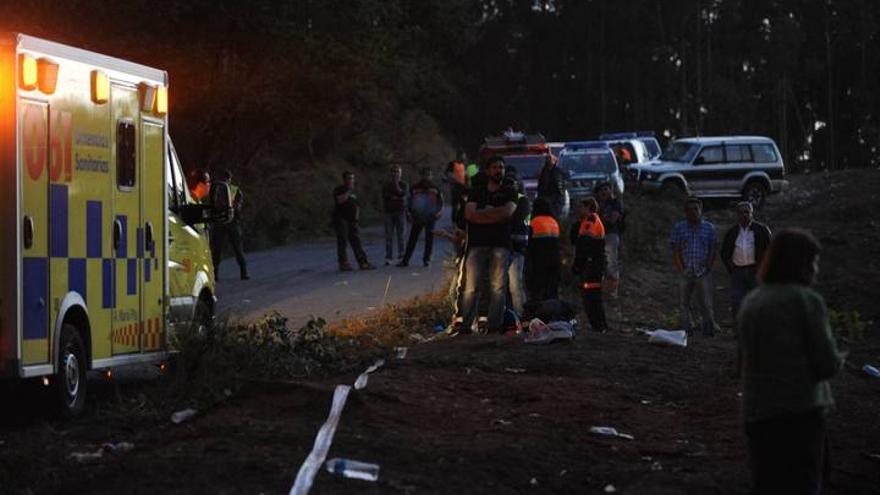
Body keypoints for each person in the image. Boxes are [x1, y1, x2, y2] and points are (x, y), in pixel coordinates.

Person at [738, 229, 844, 495]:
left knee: (766, 484)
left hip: (757, 411)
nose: (817, 269)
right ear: (802, 263)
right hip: (800, 414)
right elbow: (826, 363)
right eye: (814, 261)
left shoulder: (752, 301)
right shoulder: (806, 301)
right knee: (803, 483)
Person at [455, 156, 517, 334]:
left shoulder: (509, 191)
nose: (499, 171)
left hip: (500, 244)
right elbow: (469, 215)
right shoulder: (476, 192)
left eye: (501, 168)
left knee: (498, 287)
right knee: (470, 287)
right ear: (488, 170)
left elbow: (507, 213)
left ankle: (494, 327)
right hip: (477, 244)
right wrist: (493, 214)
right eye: (495, 167)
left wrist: (483, 214)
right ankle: (466, 327)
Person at [669, 197, 719, 336]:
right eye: (689, 210)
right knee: (684, 304)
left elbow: (713, 248)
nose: (693, 212)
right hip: (686, 271)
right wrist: (681, 268)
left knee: (706, 304)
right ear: (685, 212)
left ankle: (708, 332)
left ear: (701, 210)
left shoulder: (709, 228)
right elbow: (676, 249)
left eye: (696, 209)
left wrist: (708, 266)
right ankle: (686, 331)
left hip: (703, 271)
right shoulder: (679, 227)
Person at [721, 201, 771, 322]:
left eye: (747, 212)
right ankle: (739, 330)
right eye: (741, 212)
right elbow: (724, 251)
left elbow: (770, 250)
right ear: (737, 215)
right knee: (737, 302)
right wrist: (730, 265)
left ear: (751, 214)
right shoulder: (732, 232)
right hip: (737, 271)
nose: (744, 215)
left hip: (755, 271)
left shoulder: (761, 230)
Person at [571, 198, 607, 332]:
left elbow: (585, 245)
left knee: (592, 296)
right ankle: (598, 326)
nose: (578, 210)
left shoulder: (591, 221)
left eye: (581, 207)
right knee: (589, 296)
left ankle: (599, 326)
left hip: (593, 264)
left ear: (588, 207)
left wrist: (577, 264)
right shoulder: (585, 221)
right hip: (591, 263)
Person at [398, 167, 443, 267]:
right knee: (412, 239)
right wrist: (409, 214)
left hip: (430, 217)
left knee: (429, 239)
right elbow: (408, 202)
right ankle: (405, 261)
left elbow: (440, 202)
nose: (426, 177)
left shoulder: (435, 188)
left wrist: (438, 213)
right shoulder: (414, 188)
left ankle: (427, 259)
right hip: (417, 216)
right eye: (424, 174)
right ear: (421, 175)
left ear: (431, 176)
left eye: (428, 175)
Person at [209, 169, 249, 281]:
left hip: (226, 221)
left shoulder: (218, 189)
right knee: (221, 249)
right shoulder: (228, 189)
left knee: (233, 248)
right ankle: (242, 272)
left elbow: (237, 206)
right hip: (226, 221)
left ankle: (242, 272)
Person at [333, 171, 375, 271]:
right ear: (344, 180)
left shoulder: (354, 192)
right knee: (342, 242)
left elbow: (357, 205)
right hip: (341, 219)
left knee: (356, 241)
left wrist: (356, 217)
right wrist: (348, 191)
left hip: (352, 221)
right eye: (349, 178)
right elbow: (340, 200)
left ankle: (363, 262)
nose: (351, 180)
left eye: (352, 178)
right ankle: (343, 263)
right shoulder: (339, 190)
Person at [505, 167, 530, 316]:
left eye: (511, 183)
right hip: (504, 246)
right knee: (502, 286)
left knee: (515, 285)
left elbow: (516, 219)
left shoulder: (522, 200)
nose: (509, 186)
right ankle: (508, 316)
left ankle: (521, 317)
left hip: (518, 247)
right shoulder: (501, 198)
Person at [525, 197, 561, 301]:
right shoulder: (554, 222)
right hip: (554, 259)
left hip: (539, 260)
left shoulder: (534, 222)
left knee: (538, 290)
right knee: (552, 290)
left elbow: (530, 244)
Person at [596, 182, 623, 298]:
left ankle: (613, 292)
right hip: (600, 235)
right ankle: (604, 290)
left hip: (611, 234)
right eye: (601, 190)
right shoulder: (599, 205)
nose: (603, 192)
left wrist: (602, 218)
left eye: (605, 189)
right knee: (602, 264)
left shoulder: (615, 203)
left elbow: (613, 219)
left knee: (611, 263)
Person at [382, 165, 409, 265]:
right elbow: (386, 197)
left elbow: (403, 196)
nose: (395, 174)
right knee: (389, 235)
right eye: (394, 172)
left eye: (397, 172)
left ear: (401, 173)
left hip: (401, 212)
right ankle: (388, 257)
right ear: (391, 173)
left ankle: (401, 255)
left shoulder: (404, 184)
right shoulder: (386, 185)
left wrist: (397, 185)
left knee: (401, 235)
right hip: (389, 212)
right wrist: (398, 197)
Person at [536, 155, 567, 219]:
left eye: (550, 159)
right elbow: (541, 187)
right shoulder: (543, 172)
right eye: (547, 159)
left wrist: (560, 200)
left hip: (555, 200)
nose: (549, 161)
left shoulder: (557, 172)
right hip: (546, 200)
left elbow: (561, 187)